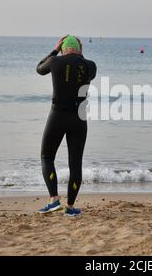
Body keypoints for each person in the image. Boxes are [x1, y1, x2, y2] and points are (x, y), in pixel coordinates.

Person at [36, 35, 96, 216]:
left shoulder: (55, 61)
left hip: (58, 116)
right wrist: (80, 54)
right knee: (75, 165)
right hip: (79, 119)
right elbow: (83, 66)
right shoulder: (91, 66)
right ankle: (70, 208)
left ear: (63, 49)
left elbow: (39, 68)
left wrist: (55, 50)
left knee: (47, 157)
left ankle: (54, 200)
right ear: (79, 49)